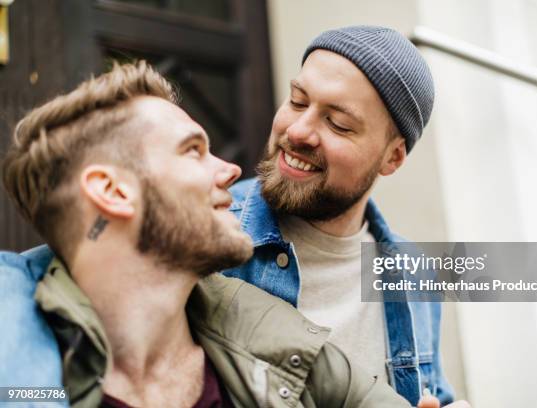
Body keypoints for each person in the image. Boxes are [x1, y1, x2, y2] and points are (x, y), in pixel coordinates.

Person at [1, 27, 470, 407]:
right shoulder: (208, 232)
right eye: (299, 101)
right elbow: (49, 275)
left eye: (338, 123)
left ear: (391, 159)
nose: (299, 131)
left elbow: (423, 392)